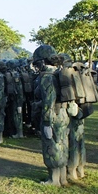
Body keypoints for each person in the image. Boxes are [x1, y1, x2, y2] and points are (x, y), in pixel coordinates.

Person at [32, 45, 69, 186]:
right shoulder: (59, 73)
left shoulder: (46, 77)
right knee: (62, 145)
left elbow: (49, 100)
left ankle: (53, 179)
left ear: (42, 61)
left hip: (52, 116)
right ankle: (63, 178)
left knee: (51, 146)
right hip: (62, 114)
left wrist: (47, 121)